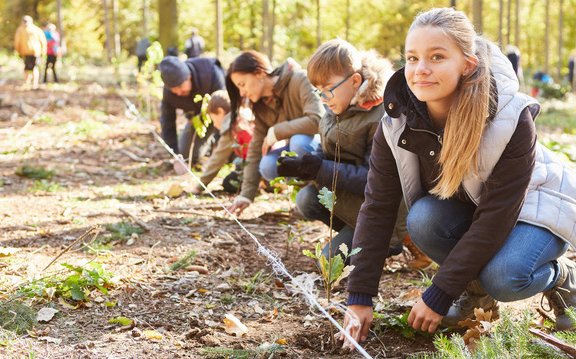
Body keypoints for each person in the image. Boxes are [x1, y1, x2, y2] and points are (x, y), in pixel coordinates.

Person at [341, 7, 576, 349]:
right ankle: (477, 297)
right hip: (475, 210)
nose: (420, 69)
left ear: (467, 65)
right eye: (412, 57)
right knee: (423, 218)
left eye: (436, 57)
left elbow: (495, 219)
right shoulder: (395, 124)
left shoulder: (512, 117)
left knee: (506, 277)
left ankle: (562, 277)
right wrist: (359, 296)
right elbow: (377, 207)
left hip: (536, 207)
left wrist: (439, 292)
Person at [276, 39, 432, 269]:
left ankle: (391, 239)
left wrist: (320, 169)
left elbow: (375, 180)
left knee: (329, 264)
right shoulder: (336, 106)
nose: (323, 98)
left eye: (327, 90)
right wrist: (304, 166)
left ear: (355, 81)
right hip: (356, 203)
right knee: (307, 199)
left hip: (383, 210)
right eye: (318, 91)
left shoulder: (381, 115)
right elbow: (329, 152)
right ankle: (368, 238)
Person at [225, 50, 325, 216]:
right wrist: (246, 195)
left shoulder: (300, 79)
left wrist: (277, 131)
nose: (242, 93)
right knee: (267, 165)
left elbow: (318, 120)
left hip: (321, 148)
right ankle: (303, 196)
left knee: (299, 143)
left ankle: (321, 191)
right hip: (298, 152)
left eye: (242, 85)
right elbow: (255, 148)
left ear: (258, 73)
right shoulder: (262, 106)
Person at [158, 56, 226, 172]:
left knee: (225, 149)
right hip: (199, 120)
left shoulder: (211, 74)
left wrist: (217, 149)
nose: (178, 92)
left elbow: (225, 110)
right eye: (174, 89)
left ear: (188, 77)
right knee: (186, 155)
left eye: (180, 86)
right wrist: (175, 154)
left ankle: (222, 150)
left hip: (223, 117)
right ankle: (207, 147)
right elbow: (167, 122)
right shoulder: (169, 93)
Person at [189, 90, 254, 194]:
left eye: (214, 120)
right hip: (261, 160)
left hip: (255, 165)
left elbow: (217, 160)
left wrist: (199, 186)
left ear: (220, 111)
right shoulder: (242, 115)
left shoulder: (231, 128)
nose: (214, 125)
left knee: (228, 182)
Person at [14, 15, 46, 89]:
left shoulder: (21, 29)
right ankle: (34, 84)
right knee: (35, 67)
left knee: (27, 68)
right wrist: (43, 52)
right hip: (36, 51)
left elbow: (17, 42)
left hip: (26, 51)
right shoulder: (37, 29)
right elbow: (43, 42)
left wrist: (18, 51)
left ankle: (27, 83)